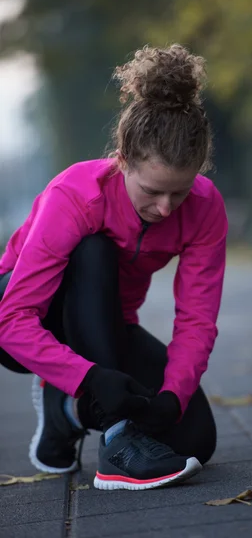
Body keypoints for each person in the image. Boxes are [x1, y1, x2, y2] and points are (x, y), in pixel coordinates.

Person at [0, 44, 228, 491]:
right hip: (23, 318)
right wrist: (89, 377)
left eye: (178, 193)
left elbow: (198, 319)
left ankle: (65, 412)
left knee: (196, 439)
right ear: (122, 160)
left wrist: (172, 395)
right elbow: (11, 321)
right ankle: (117, 442)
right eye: (152, 191)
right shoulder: (76, 195)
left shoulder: (205, 208)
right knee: (93, 250)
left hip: (106, 327)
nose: (165, 209)